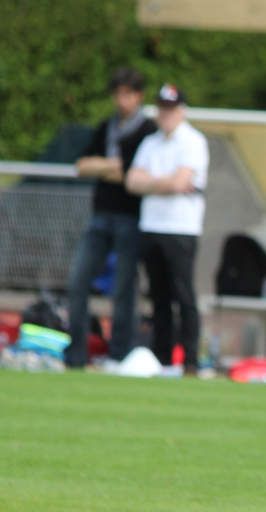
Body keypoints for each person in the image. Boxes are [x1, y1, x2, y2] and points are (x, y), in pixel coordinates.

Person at [64, 67, 157, 368]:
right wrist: (112, 166)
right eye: (117, 94)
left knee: (123, 288)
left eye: (127, 94)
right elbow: (82, 165)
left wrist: (105, 167)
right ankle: (76, 353)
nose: (122, 100)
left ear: (138, 96)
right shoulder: (107, 127)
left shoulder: (148, 131)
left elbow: (131, 176)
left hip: (130, 217)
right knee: (78, 280)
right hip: (100, 215)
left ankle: (119, 354)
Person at [125, 84, 209, 373]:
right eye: (162, 108)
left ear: (181, 111)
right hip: (152, 225)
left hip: (181, 228)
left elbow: (180, 182)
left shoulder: (193, 141)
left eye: (170, 109)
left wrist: (154, 183)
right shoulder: (151, 142)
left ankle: (190, 360)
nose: (165, 114)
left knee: (183, 295)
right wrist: (165, 183)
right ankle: (161, 358)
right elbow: (133, 181)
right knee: (158, 296)